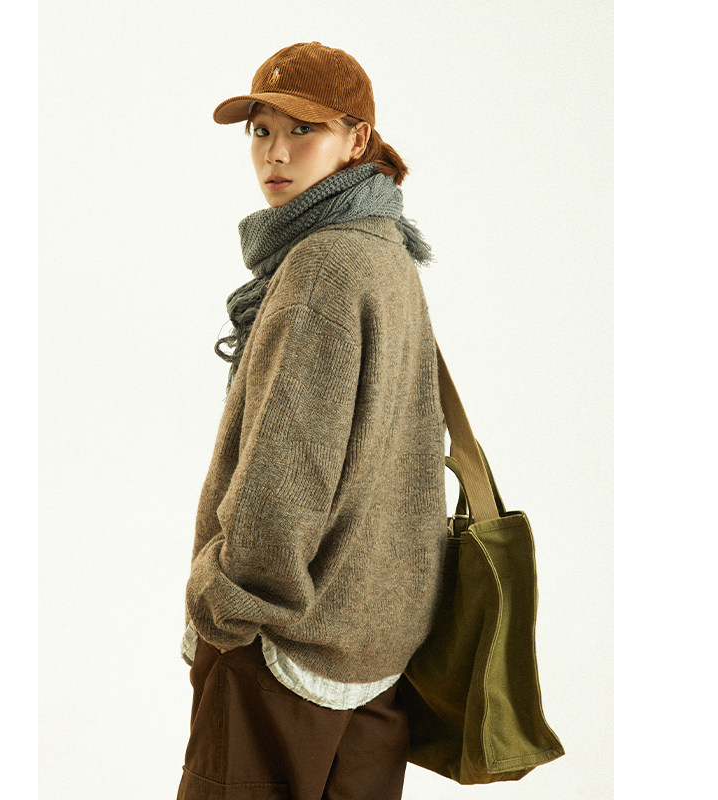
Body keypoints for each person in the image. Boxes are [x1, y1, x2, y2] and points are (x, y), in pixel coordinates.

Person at [176, 41, 448, 800]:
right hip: (375, 641)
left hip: (281, 646)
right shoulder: (384, 248)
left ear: (357, 140)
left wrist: (227, 604)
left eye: (304, 130)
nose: (276, 153)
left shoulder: (322, 265)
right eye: (262, 131)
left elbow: (288, 471)